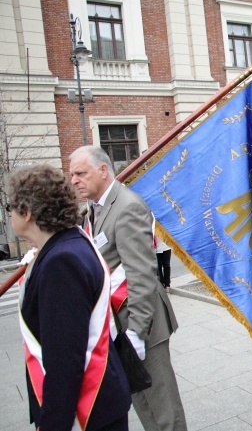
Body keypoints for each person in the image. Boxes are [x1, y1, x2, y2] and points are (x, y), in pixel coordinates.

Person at [69, 146, 187, 431]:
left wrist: (136, 330)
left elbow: (142, 274)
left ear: (103, 170)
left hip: (139, 321)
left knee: (161, 406)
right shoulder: (95, 210)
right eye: (72, 174)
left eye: (80, 173)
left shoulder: (127, 206)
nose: (74, 180)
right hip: (117, 322)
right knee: (141, 401)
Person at [9, 164, 131, 430]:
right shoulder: (71, 242)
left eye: (10, 208)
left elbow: (65, 358)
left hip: (87, 411)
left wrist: (53, 423)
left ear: (27, 212)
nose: (9, 215)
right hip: (99, 402)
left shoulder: (61, 261)